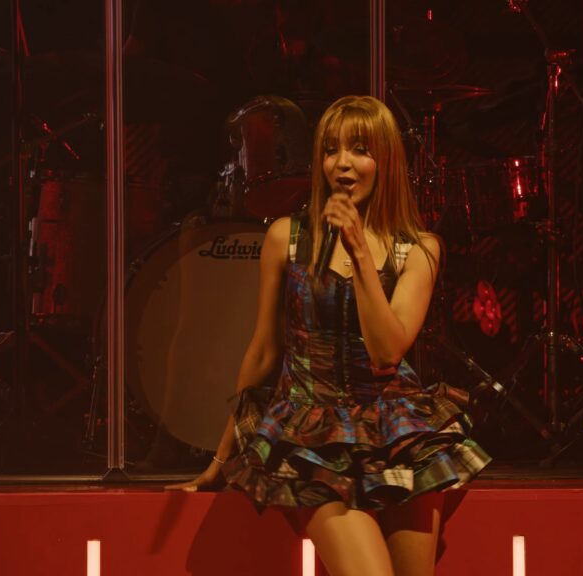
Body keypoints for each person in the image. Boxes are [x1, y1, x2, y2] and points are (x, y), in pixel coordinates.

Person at [166, 95, 490, 576]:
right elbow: (262, 352)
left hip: (398, 434)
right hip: (311, 436)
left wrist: (360, 252)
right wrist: (221, 458)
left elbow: (386, 352)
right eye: (331, 149)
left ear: (386, 160)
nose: (342, 163)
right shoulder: (286, 237)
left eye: (360, 149)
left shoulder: (418, 249)